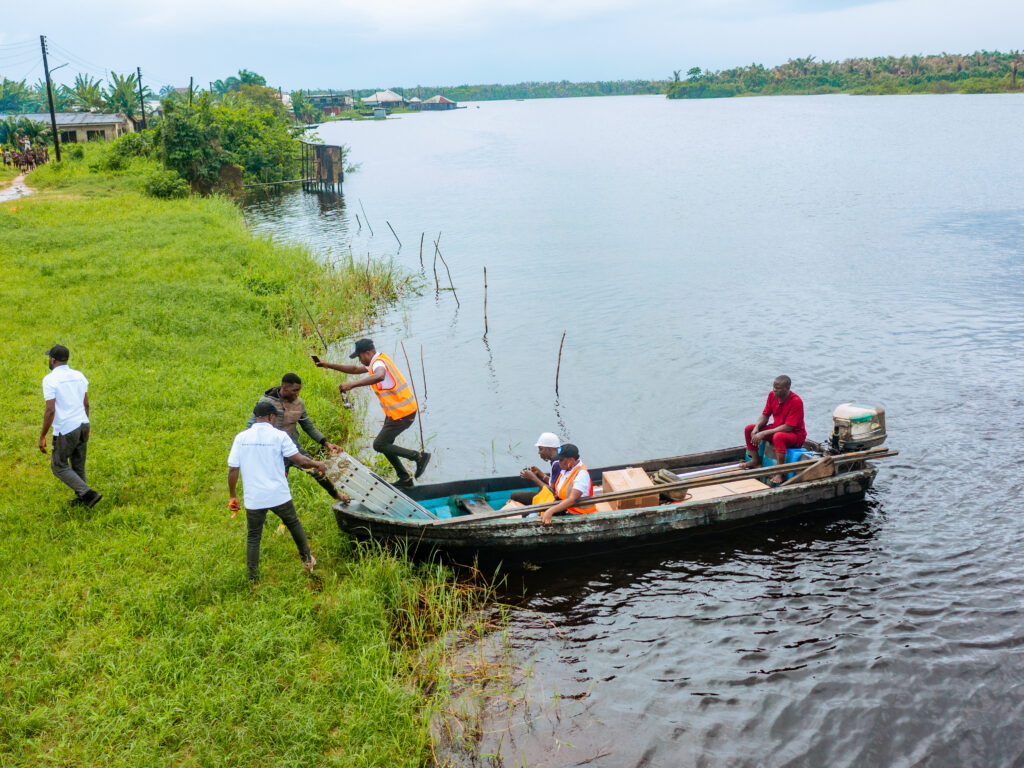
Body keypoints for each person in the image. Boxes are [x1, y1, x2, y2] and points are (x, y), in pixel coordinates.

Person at [315, 339, 429, 488]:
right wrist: (327, 365)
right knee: (385, 444)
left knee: (379, 444)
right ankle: (405, 479)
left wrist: (352, 384)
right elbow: (354, 369)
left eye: (360, 356)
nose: (359, 360)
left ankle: (418, 457)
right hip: (396, 413)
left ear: (368, 353)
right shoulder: (376, 360)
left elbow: (380, 375)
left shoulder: (378, 364)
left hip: (403, 413)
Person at [229, 401, 321, 582]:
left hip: (254, 498)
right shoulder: (280, 436)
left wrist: (233, 496)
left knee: (253, 536)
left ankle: (253, 578)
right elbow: (300, 460)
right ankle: (307, 561)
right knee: (293, 524)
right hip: (279, 495)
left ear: (256, 417)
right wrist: (317, 464)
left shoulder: (241, 438)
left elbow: (233, 469)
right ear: (271, 417)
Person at [246, 373, 348, 502]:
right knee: (277, 483)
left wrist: (326, 443)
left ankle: (335, 494)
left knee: (316, 470)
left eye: (299, 390)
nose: (297, 394)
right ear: (284, 387)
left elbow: (308, 426)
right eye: (294, 390)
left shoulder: (299, 404)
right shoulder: (266, 403)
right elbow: (250, 426)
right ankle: (268, 505)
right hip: (273, 450)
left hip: (293, 448)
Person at [39, 344, 101, 508]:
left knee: (58, 466)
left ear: (53, 360)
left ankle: (88, 494)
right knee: (78, 464)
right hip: (83, 424)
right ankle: (83, 499)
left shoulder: (50, 379)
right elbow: (86, 404)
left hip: (66, 429)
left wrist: (42, 436)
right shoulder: (79, 375)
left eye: (49, 358)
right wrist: (86, 425)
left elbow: (50, 410)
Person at [744, 375, 807, 484]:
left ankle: (780, 472)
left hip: (795, 435)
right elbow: (765, 415)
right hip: (776, 428)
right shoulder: (771, 395)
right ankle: (755, 461)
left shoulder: (796, 401)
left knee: (778, 436)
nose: (774, 390)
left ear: (787, 388)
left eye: (778, 388)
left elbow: (788, 427)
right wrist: (757, 427)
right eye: (773, 387)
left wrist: (764, 433)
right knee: (749, 429)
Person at [540, 443, 596, 525]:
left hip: (579, 515)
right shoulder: (565, 470)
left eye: (561, 460)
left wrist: (550, 511)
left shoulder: (581, 474)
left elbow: (572, 500)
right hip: (566, 509)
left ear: (571, 460)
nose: (559, 462)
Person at [510, 432, 563, 506]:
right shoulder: (558, 460)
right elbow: (555, 484)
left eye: (540, 449)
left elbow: (552, 492)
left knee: (515, 495)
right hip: (557, 494)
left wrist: (533, 478)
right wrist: (540, 474)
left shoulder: (557, 464)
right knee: (540, 485)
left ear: (548, 449)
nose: (539, 452)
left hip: (556, 501)